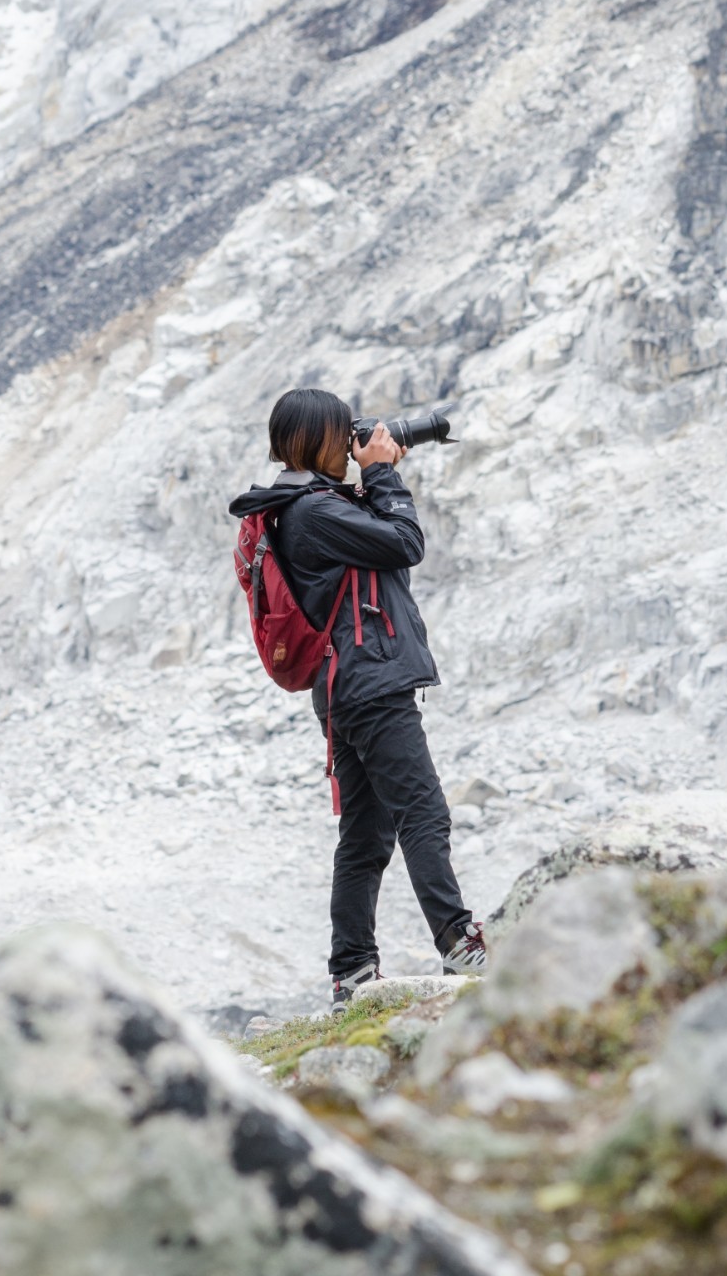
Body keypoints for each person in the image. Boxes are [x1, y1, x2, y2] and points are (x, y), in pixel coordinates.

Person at [228, 386, 487, 1007]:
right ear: (318, 438)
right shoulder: (313, 512)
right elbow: (405, 543)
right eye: (342, 433)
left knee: (367, 835)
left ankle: (352, 973)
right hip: (371, 684)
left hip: (347, 684)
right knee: (424, 812)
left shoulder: (301, 506)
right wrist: (381, 475)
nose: (351, 443)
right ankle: (460, 945)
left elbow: (379, 538)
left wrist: (374, 474)